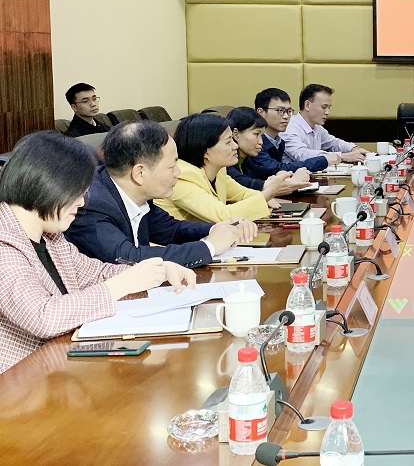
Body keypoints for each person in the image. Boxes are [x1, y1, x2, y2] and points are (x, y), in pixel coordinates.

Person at [0, 132, 196, 373]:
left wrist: (158, 270)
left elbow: (96, 273)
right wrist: (122, 284)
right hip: (18, 382)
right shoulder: (4, 243)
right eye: (78, 192)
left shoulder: (51, 237)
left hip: (59, 367)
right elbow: (43, 316)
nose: (82, 203)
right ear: (50, 184)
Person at [65, 120, 259, 267]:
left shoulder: (133, 192)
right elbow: (128, 258)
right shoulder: (90, 204)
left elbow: (172, 230)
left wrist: (219, 229)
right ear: (140, 173)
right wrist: (210, 246)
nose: (178, 172)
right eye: (172, 166)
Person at [155, 114, 281, 223]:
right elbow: (223, 215)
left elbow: (242, 194)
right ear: (206, 151)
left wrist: (265, 197)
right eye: (228, 142)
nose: (235, 146)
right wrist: (271, 191)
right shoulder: (181, 177)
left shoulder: (219, 170)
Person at [244, 88, 333, 181]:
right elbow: (277, 168)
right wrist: (323, 160)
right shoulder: (255, 142)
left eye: (289, 111)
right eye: (280, 110)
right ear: (261, 112)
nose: (286, 116)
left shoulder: (279, 142)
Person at [225, 107, 312, 193]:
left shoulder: (248, 159)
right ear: (236, 134)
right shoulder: (225, 162)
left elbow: (266, 172)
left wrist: (281, 174)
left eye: (261, 136)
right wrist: (291, 182)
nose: (261, 142)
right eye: (256, 134)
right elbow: (243, 184)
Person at [281, 84, 368, 165]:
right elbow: (302, 155)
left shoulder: (317, 127)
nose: (327, 112)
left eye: (329, 107)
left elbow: (334, 143)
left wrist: (353, 148)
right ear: (307, 105)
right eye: (324, 107)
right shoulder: (289, 127)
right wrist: (341, 156)